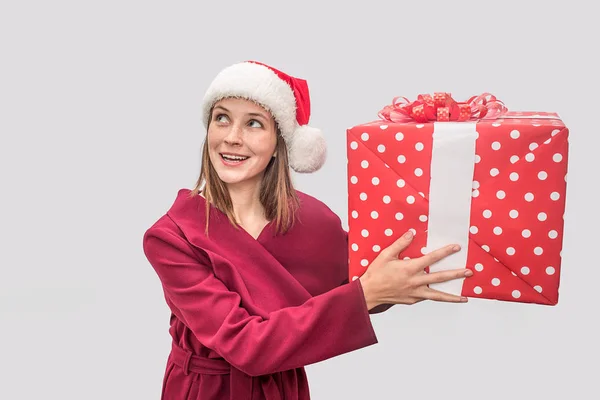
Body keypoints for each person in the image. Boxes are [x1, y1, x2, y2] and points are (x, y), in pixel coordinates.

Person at [142, 60, 473, 400]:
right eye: (221, 118)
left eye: (254, 123)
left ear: (279, 143)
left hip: (281, 389)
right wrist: (368, 294)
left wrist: (445, 158)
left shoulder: (312, 221)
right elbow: (245, 345)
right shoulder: (171, 237)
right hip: (204, 392)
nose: (232, 137)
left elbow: (362, 286)